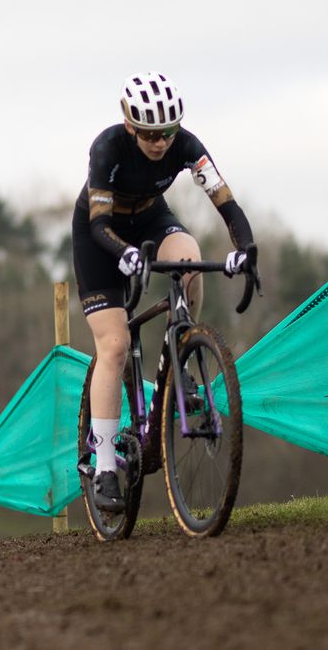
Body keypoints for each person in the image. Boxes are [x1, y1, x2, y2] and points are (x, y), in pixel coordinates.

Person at [73, 72, 256, 511]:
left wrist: (245, 250)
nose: (161, 143)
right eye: (152, 134)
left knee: (191, 264)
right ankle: (103, 466)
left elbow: (226, 203)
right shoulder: (107, 148)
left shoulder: (187, 146)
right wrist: (125, 253)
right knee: (115, 346)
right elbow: (100, 225)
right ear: (131, 125)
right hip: (100, 235)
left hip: (152, 218)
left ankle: (184, 357)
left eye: (168, 133)